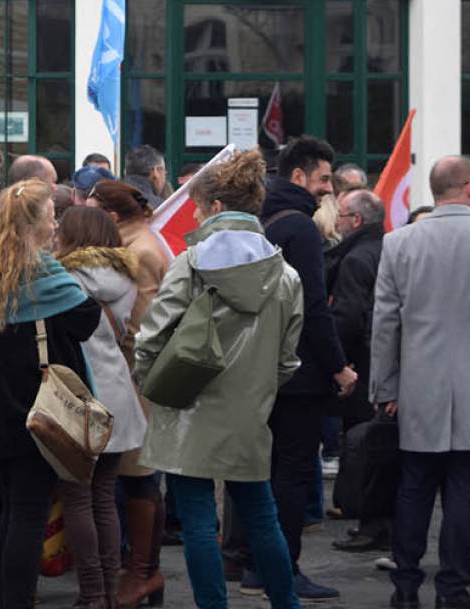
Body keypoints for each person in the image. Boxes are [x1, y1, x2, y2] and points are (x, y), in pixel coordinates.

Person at [134, 149, 304, 609]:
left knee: (197, 521)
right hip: (249, 411)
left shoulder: (190, 263)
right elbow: (288, 359)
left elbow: (151, 337)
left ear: (213, 207)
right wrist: (258, 392)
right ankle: (287, 602)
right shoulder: (286, 275)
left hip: (187, 404)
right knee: (261, 515)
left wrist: (154, 385)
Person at [0, 179, 98, 609]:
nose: (56, 224)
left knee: (9, 509)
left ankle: (12, 597)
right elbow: (86, 320)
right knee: (28, 513)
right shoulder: (43, 272)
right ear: (32, 225)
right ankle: (16, 600)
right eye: (51, 215)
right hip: (37, 407)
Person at [241, 136, 354, 600]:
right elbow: (312, 306)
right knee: (291, 474)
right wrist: (339, 367)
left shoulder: (256, 220)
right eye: (324, 178)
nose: (329, 188)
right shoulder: (301, 229)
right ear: (299, 176)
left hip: (255, 365)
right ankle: (281, 569)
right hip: (298, 372)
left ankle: (253, 565)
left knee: (262, 471)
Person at [372, 157, 470, 609]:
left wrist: (385, 388)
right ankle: (453, 589)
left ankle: (405, 587)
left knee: (414, 487)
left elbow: (384, 324)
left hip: (419, 388)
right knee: (465, 492)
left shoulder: (399, 243)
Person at [54, 207, 149, 609]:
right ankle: (110, 590)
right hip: (117, 394)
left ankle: (92, 592)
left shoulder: (62, 280)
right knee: (106, 497)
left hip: (77, 395)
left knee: (77, 498)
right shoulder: (127, 277)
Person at [85, 178, 170, 607]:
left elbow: (142, 328)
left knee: (139, 480)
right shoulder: (137, 244)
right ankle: (141, 570)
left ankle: (142, 573)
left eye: (91, 205)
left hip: (137, 380)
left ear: (112, 215)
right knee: (135, 479)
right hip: (137, 379)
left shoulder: (138, 252)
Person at [325, 189, 388, 553]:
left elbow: (348, 317)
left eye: (342, 216)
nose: (337, 222)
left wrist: (339, 363)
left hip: (362, 365)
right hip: (385, 361)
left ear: (357, 221)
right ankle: (380, 523)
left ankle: (370, 523)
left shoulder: (354, 260)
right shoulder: (390, 248)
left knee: (363, 444)